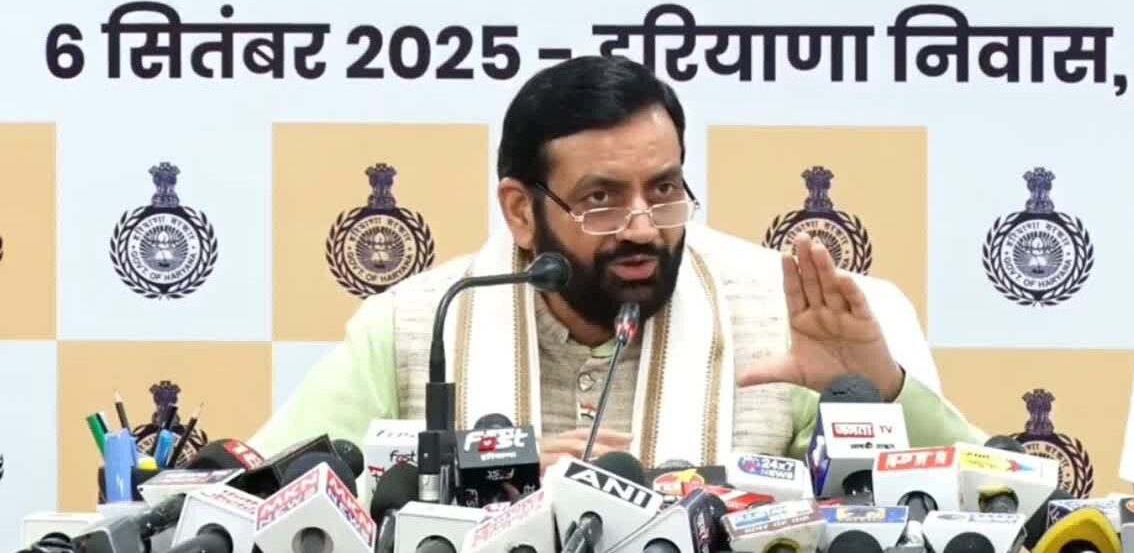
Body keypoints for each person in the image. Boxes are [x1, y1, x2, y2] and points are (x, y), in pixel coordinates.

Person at [249, 55, 984, 474]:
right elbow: (266, 495)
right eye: (599, 199)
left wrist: (878, 393)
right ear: (520, 210)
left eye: (663, 190)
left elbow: (992, 511)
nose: (641, 227)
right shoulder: (418, 325)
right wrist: (480, 476)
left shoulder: (782, 317)